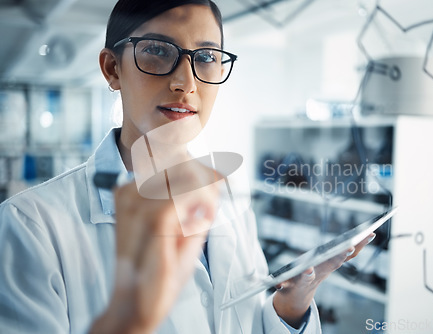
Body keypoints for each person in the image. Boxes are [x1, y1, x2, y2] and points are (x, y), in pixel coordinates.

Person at [0, 0, 374, 333]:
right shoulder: (32, 225)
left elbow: (246, 317)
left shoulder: (228, 196)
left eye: (207, 57)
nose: (186, 82)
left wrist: (290, 309)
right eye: (157, 51)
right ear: (112, 68)